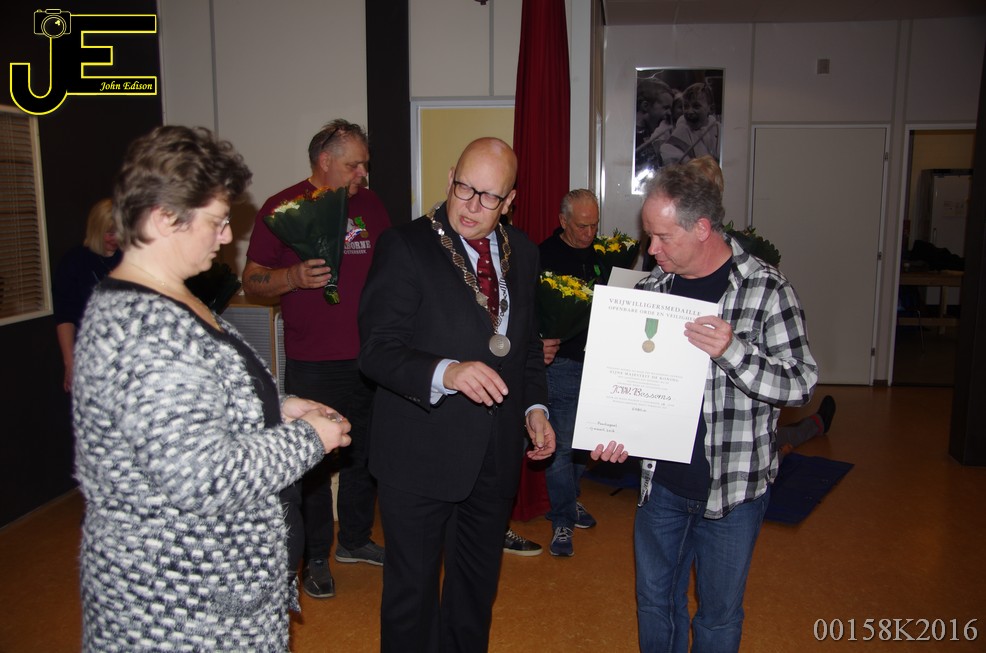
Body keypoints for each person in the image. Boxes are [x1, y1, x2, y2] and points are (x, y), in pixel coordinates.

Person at [72, 125, 352, 651]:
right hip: (182, 609)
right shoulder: (142, 328)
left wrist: (278, 406)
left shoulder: (170, 297)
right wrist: (309, 439)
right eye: (218, 221)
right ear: (164, 218)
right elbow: (205, 477)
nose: (227, 238)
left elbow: (203, 398)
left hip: (217, 589)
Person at [592, 163, 818, 652]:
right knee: (655, 604)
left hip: (733, 491)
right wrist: (615, 431)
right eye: (649, 235)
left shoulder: (766, 290)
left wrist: (733, 351)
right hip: (661, 487)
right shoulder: (652, 291)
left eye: (662, 237)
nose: (651, 249)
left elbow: (801, 383)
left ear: (701, 228)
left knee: (717, 618)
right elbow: (632, 384)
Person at [358, 137, 557, 652]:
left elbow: (526, 347)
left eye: (489, 197)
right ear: (450, 177)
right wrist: (446, 372)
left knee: (474, 593)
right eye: (465, 188)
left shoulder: (524, 252)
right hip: (419, 454)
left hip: (494, 455)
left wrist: (535, 408)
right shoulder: (405, 246)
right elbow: (376, 351)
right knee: (412, 597)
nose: (471, 205)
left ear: (509, 201)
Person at [243, 119, 390, 599]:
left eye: (365, 164)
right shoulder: (282, 207)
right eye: (354, 165)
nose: (363, 173)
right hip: (314, 362)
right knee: (313, 465)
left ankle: (354, 540)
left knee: (364, 455)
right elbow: (251, 280)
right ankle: (315, 558)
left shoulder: (370, 206)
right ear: (325, 161)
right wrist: (292, 277)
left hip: (369, 359)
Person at [539, 189, 601, 557]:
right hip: (562, 363)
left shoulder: (603, 255)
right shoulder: (544, 256)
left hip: (599, 363)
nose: (589, 233)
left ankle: (571, 499)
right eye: (582, 226)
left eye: (594, 225)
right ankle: (561, 518)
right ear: (563, 221)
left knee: (586, 442)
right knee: (561, 445)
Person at [52, 197, 121, 391]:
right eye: (109, 233)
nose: (115, 238)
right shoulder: (74, 262)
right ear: (96, 229)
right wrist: (70, 363)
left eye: (119, 232)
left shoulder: (130, 258)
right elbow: (65, 316)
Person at [660, 82, 720, 166]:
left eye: (696, 106)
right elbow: (668, 152)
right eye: (686, 106)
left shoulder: (719, 130)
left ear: (711, 109)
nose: (689, 111)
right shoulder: (681, 131)